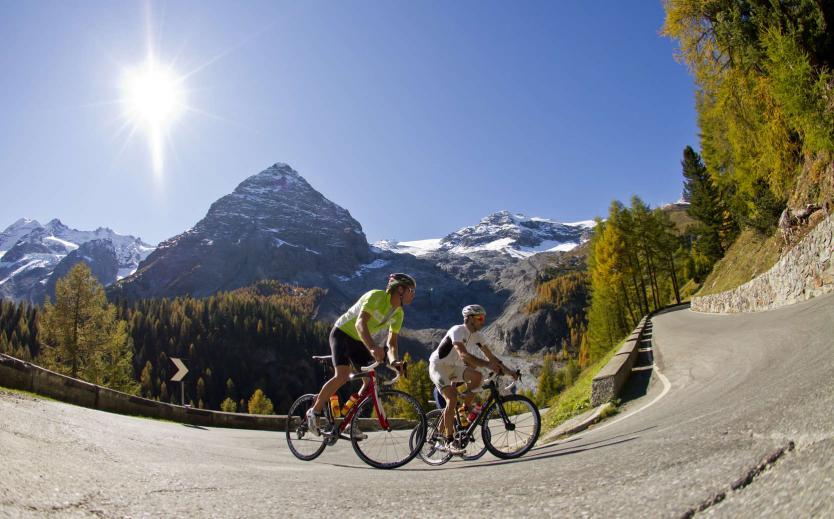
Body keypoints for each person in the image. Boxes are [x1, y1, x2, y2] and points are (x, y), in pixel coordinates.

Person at [306, 273, 416, 437]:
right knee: (342, 376)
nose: (413, 294)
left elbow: (391, 343)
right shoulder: (376, 297)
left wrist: (395, 362)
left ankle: (351, 421)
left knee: (369, 380)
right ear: (400, 289)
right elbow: (360, 323)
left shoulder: (398, 313)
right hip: (342, 333)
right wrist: (372, 347)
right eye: (411, 290)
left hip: (358, 341)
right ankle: (314, 411)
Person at [428, 304, 517, 454]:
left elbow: (492, 358)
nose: (483, 322)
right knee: (451, 399)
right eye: (480, 318)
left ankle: (464, 408)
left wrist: (510, 372)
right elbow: (463, 355)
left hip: (451, 368)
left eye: (484, 318)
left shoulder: (478, 336)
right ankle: (448, 441)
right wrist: (488, 365)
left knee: (478, 377)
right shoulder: (457, 330)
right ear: (469, 319)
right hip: (437, 366)